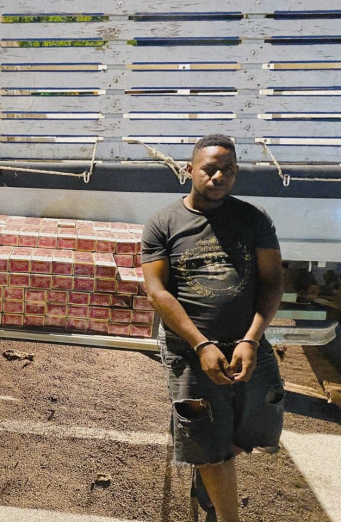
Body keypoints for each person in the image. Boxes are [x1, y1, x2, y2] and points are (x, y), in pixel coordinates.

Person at [141, 134, 285, 522]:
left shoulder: (254, 219)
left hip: (246, 344)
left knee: (255, 425)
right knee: (204, 435)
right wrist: (201, 344)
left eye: (228, 170)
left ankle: (209, 478)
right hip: (190, 350)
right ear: (189, 170)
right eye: (209, 169)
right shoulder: (163, 223)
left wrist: (251, 339)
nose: (219, 176)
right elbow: (157, 291)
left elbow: (272, 282)